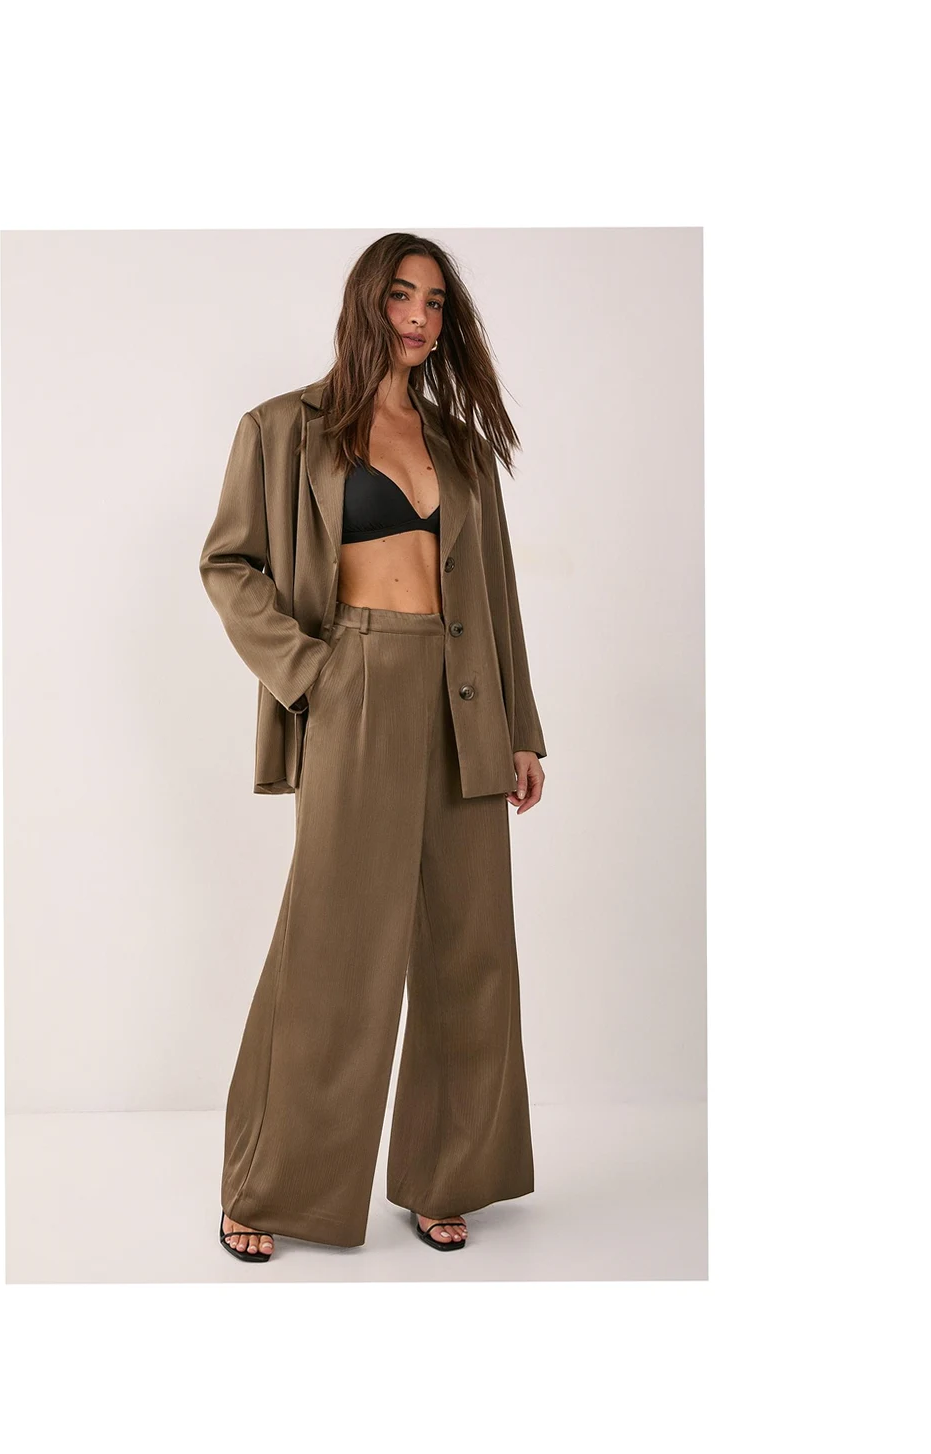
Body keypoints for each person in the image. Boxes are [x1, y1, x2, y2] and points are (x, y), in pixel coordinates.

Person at [199, 232, 546, 1262]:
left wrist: (522, 730)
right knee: (335, 946)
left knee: (468, 947)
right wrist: (311, 672)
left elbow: (496, 594)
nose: (420, 318)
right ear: (366, 302)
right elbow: (229, 564)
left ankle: (447, 1172)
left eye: (436, 303)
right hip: (353, 682)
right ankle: (269, 1182)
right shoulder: (283, 427)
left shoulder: (459, 446)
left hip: (464, 693)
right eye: (402, 296)